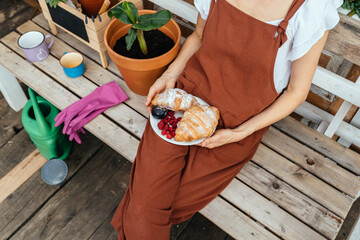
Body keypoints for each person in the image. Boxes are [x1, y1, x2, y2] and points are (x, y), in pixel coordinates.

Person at [111, 0, 342, 239]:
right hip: (184, 99)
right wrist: (170, 75)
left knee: (153, 206)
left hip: (237, 123)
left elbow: (296, 92)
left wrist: (242, 132)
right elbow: (199, 36)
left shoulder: (310, 8)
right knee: (145, 205)